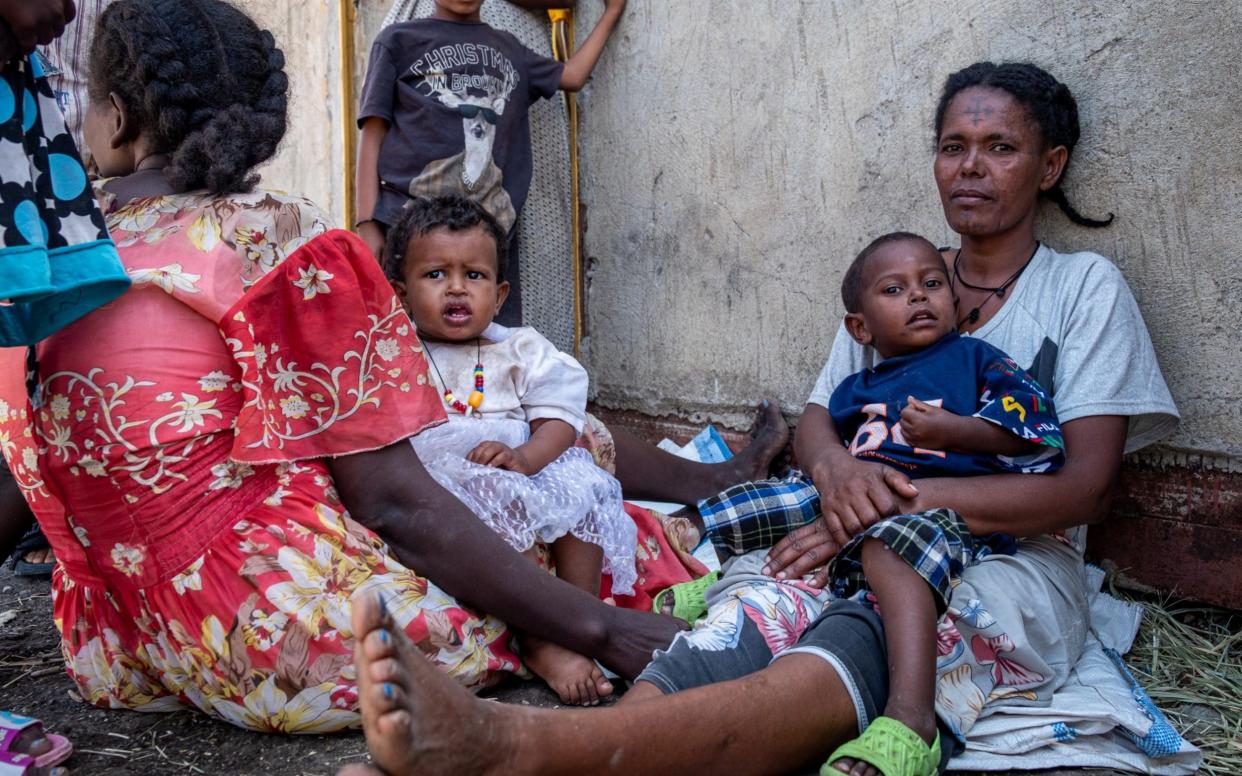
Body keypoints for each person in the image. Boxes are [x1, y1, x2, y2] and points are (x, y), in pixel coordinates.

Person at [337, 61, 1178, 776]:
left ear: (1050, 164)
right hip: (850, 519)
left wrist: (885, 506)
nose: (970, 168)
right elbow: (819, 422)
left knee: (868, 631)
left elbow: (1087, 489)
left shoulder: (1081, 290)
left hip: (1006, 551)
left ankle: (524, 748)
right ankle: (549, 744)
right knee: (746, 613)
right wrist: (839, 473)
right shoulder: (905, 281)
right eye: (954, 147)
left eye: (1001, 148)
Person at [0, 0, 691, 734]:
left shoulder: (52, 253)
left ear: (116, 117)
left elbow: (20, 465)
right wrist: (606, 632)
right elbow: (393, 503)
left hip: (119, 648)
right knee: (560, 506)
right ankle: (629, 570)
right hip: (281, 646)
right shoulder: (268, 235)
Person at [386, 193, 635, 705]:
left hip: (521, 463)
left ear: (499, 295)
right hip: (447, 478)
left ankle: (577, 616)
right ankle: (539, 634)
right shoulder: (396, 353)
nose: (457, 287)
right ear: (401, 293)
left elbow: (560, 419)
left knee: (583, 483)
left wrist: (527, 460)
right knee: (496, 495)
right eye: (435, 275)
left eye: (473, 276)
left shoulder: (519, 348)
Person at [354, 0, 625, 325]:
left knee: (487, 350)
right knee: (402, 343)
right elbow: (373, 133)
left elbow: (573, 76)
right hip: (409, 226)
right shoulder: (398, 40)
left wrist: (612, 12)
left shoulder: (510, 48)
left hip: (486, 237)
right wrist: (367, 224)